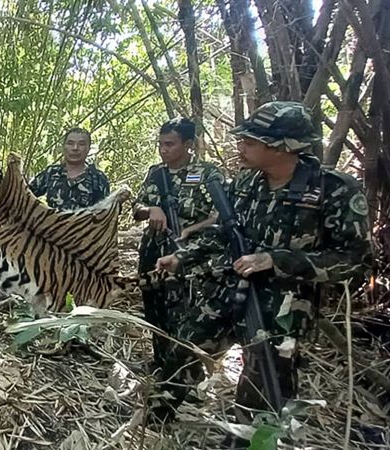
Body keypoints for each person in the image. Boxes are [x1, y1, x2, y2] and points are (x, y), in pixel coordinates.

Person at [154, 102, 372, 429]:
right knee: (183, 350)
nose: (240, 147)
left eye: (250, 142)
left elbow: (356, 260)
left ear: (283, 148)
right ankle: (154, 422)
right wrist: (184, 256)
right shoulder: (246, 184)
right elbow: (227, 234)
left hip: (282, 307)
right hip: (230, 289)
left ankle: (246, 438)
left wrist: (277, 261)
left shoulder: (334, 189)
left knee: (263, 388)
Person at [132, 118, 224, 378]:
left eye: (170, 144)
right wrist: (152, 209)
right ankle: (161, 363)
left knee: (185, 312)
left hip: (191, 254)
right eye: (160, 144)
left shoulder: (208, 173)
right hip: (154, 249)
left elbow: (220, 215)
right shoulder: (156, 173)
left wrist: (189, 231)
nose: (163, 149)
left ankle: (187, 375)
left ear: (188, 144)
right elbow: (136, 209)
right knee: (154, 307)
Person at [29, 127, 110, 210]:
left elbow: (106, 213)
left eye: (81, 144)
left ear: (88, 148)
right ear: (64, 146)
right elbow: (24, 196)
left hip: (84, 222)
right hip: (53, 222)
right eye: (70, 143)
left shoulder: (98, 178)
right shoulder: (51, 173)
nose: (75, 148)